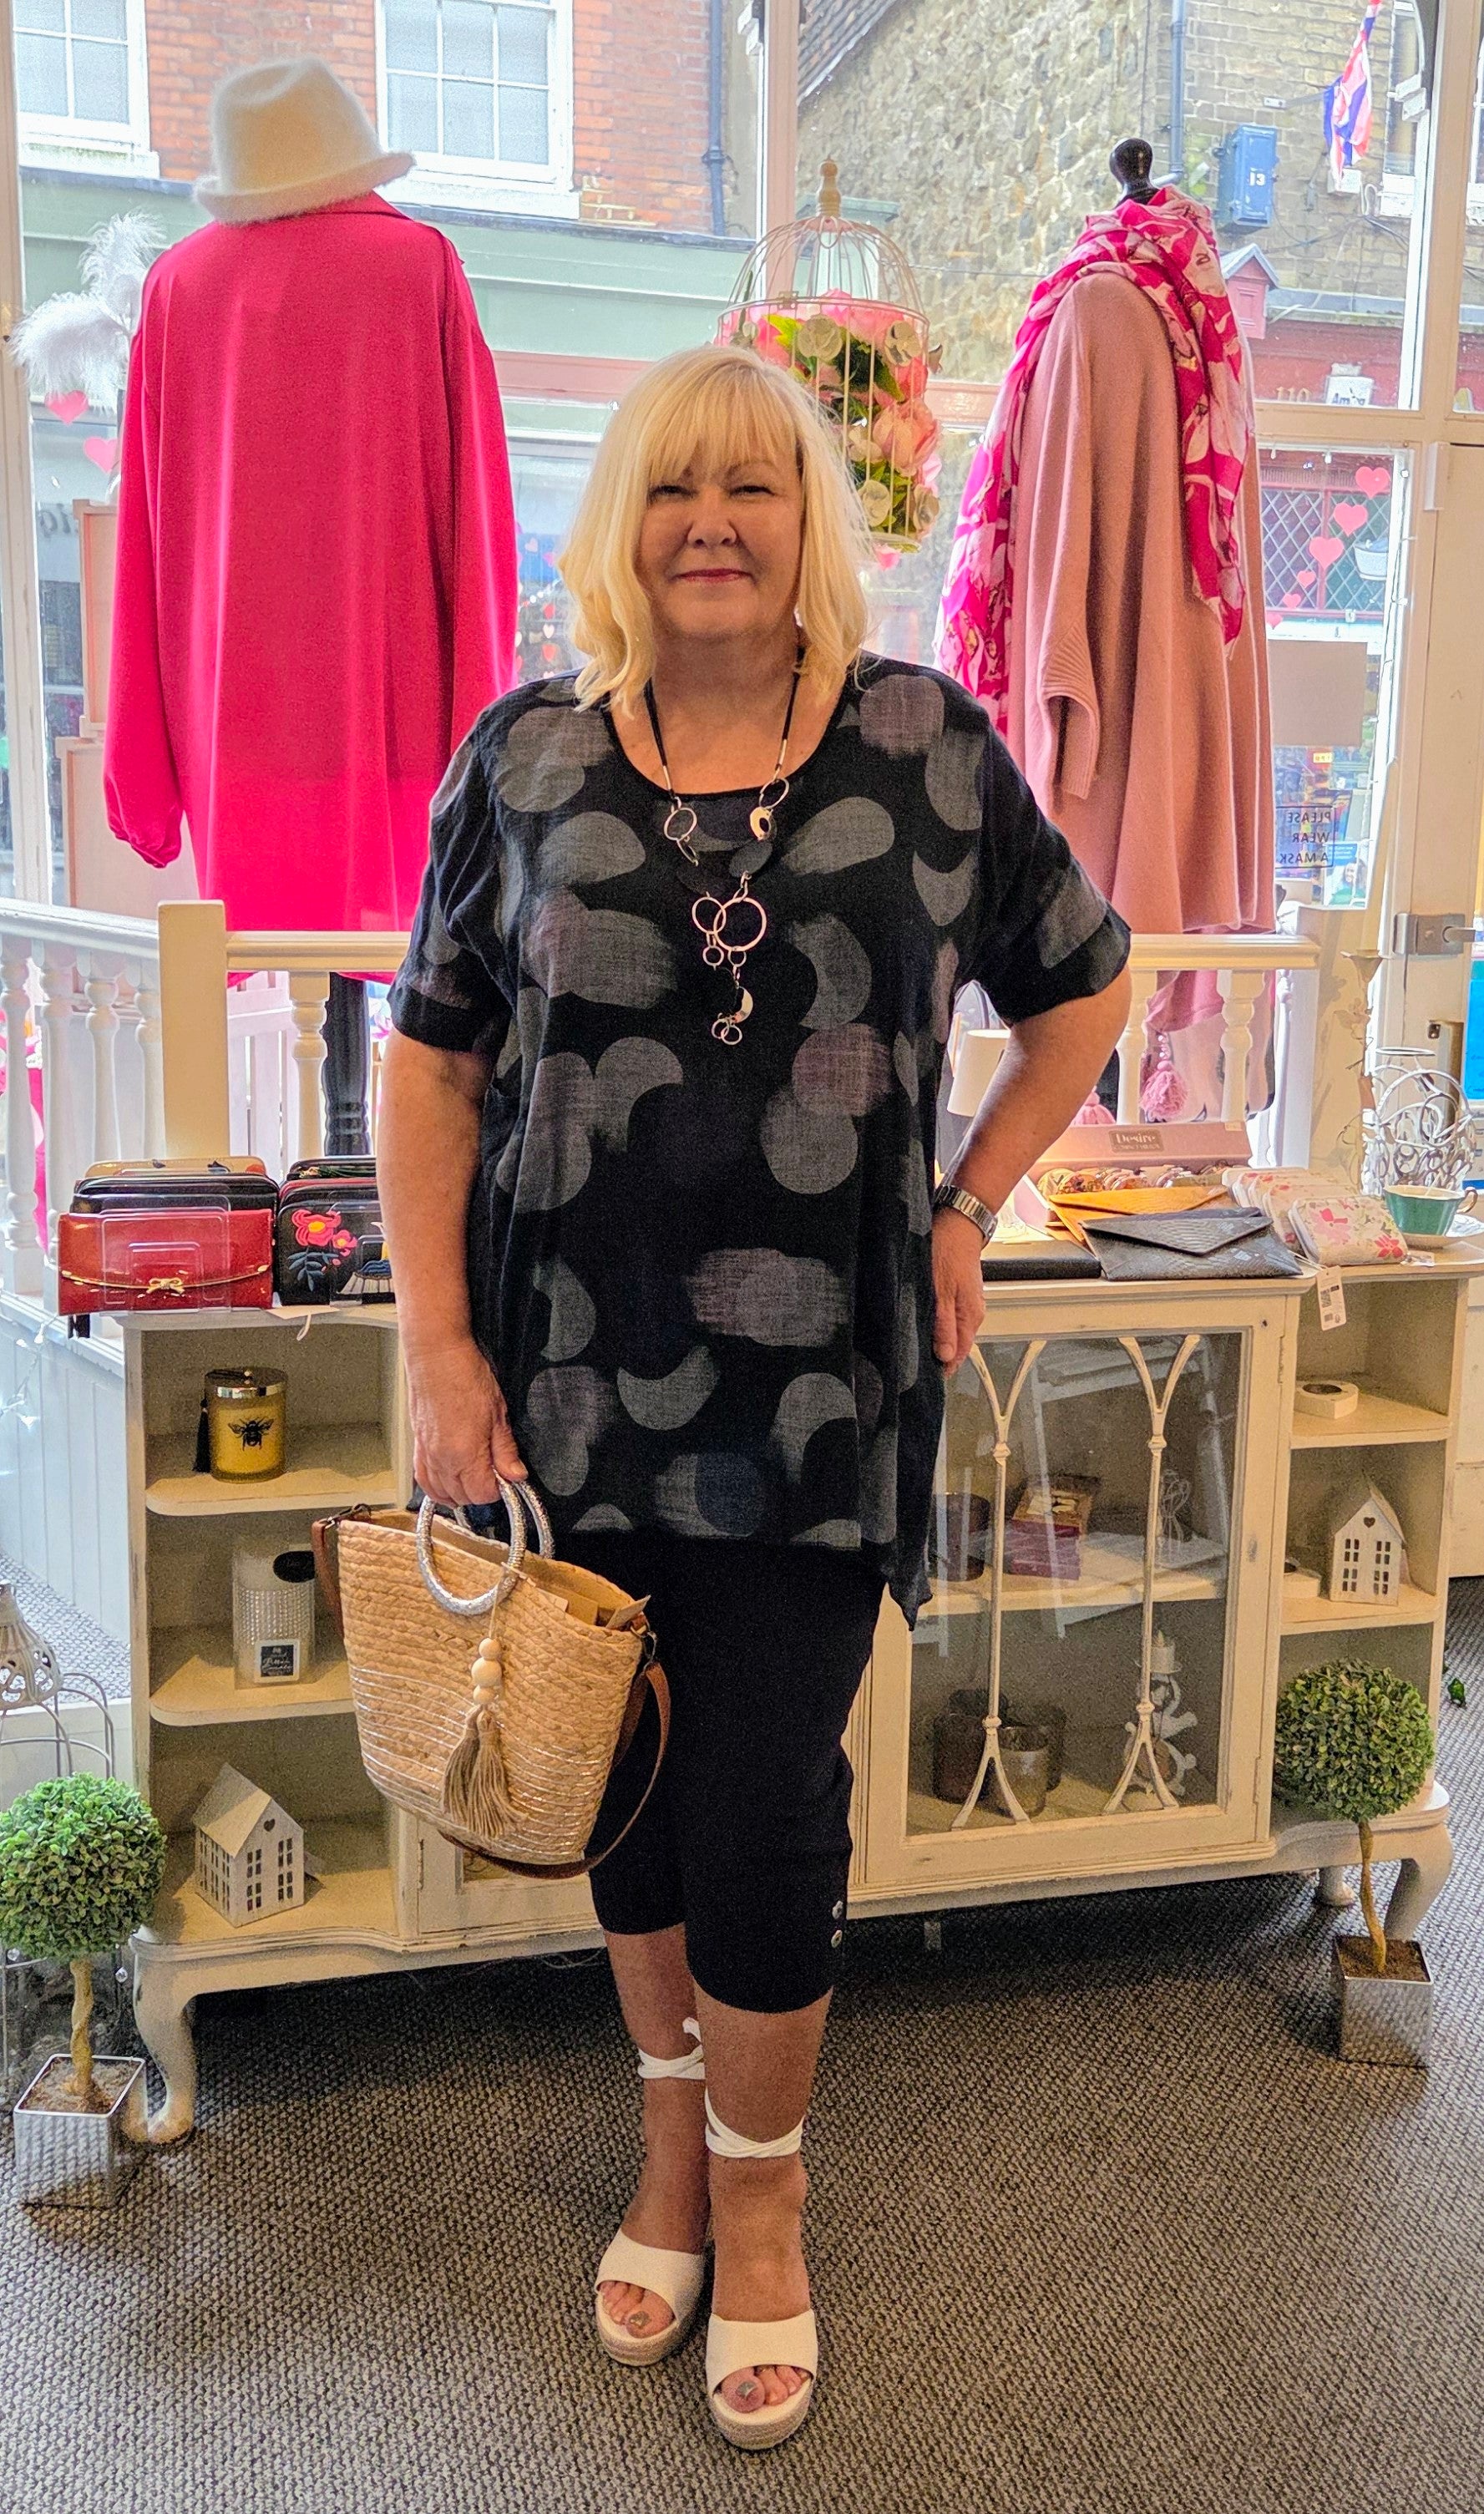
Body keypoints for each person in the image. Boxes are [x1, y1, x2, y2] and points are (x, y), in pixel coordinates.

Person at [377, 342, 1132, 2450]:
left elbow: (1084, 985)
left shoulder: (926, 747)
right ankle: (671, 2147)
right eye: (671, 488)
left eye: (756, 488)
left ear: (814, 521)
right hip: (561, 1371)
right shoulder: (522, 758)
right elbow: (429, 1062)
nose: (712, 524)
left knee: (765, 1793)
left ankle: (766, 2198)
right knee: (615, 1772)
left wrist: (967, 1198)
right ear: (618, 526)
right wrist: (438, 1347)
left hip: (822, 1386)